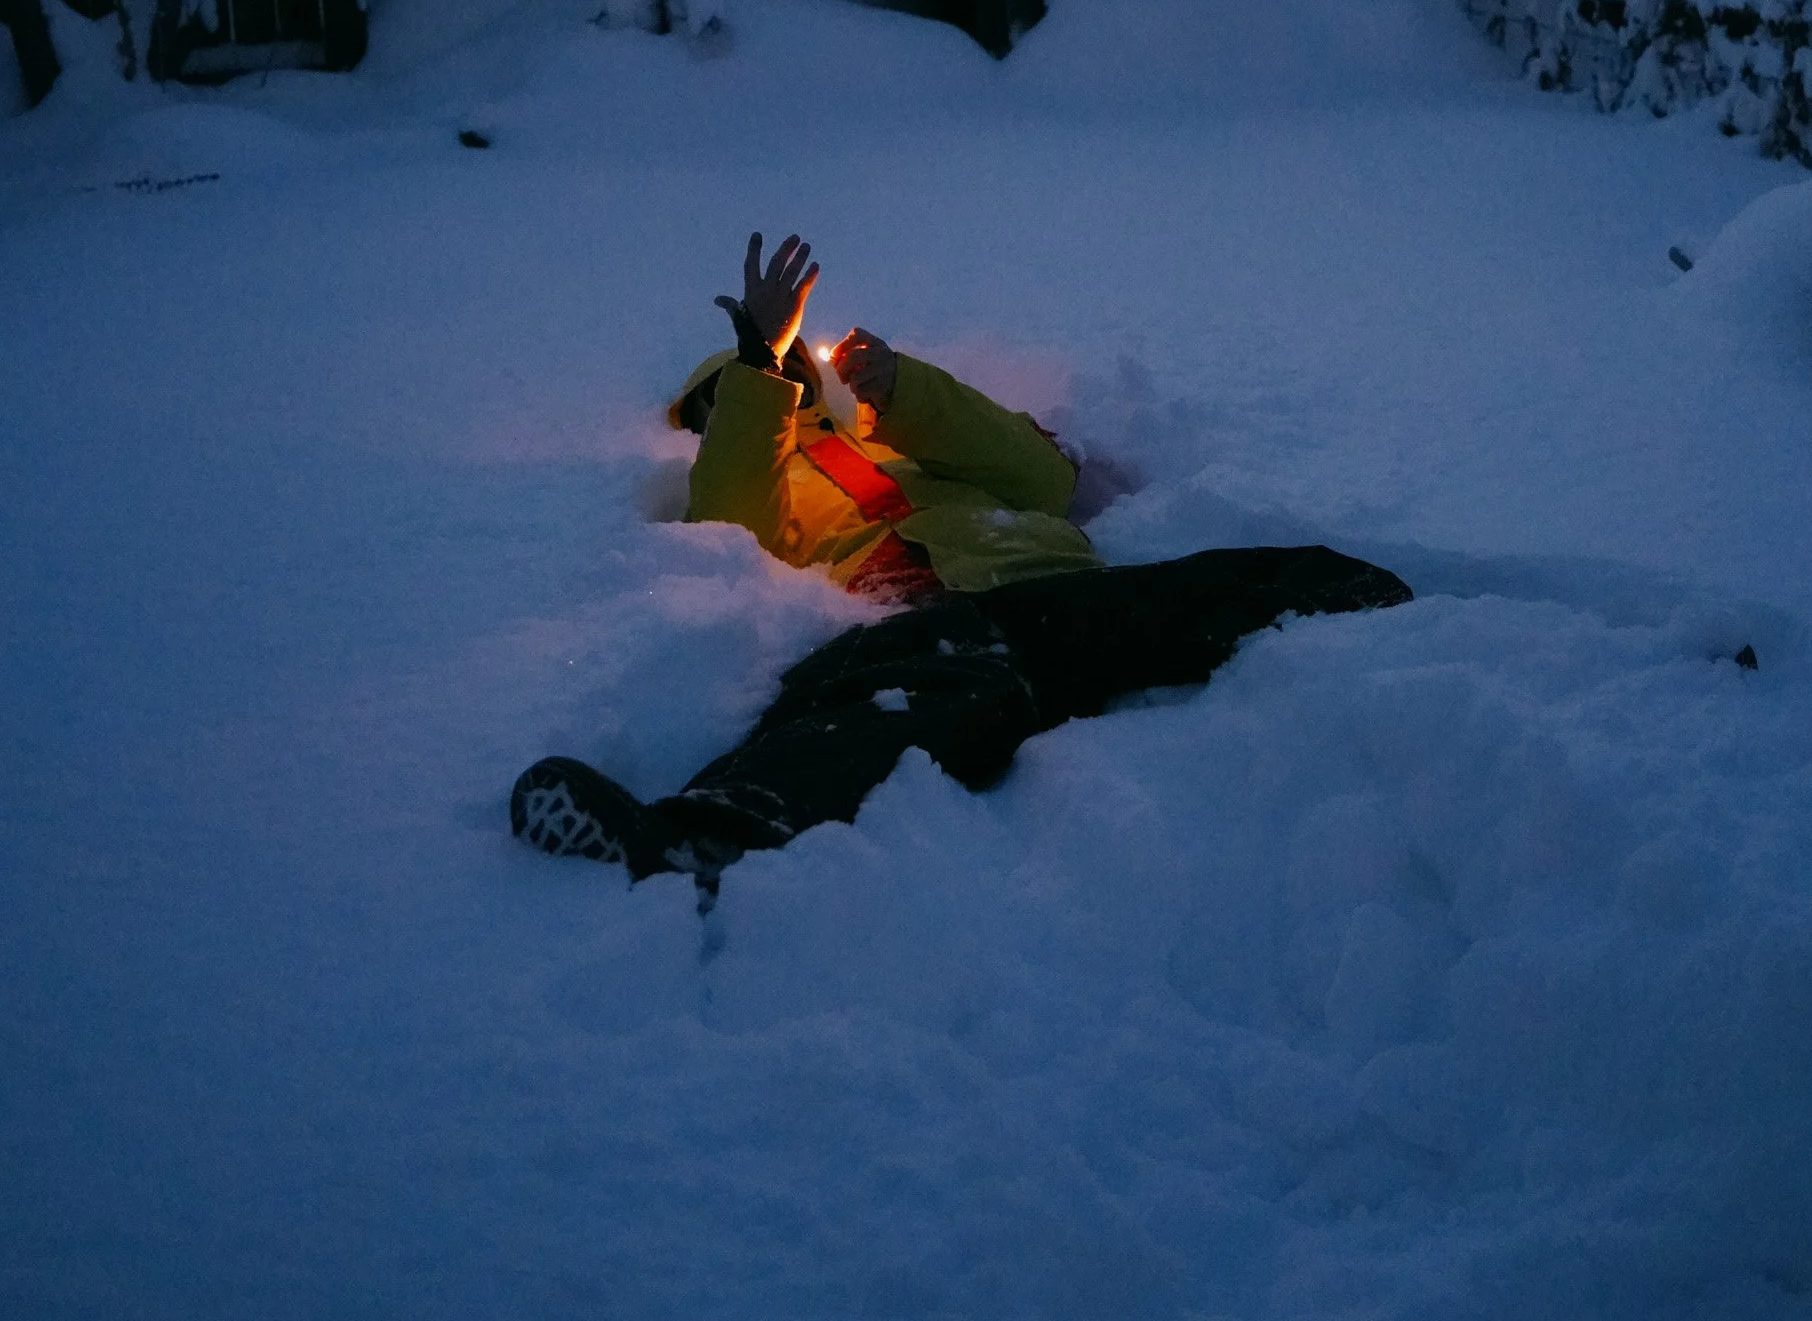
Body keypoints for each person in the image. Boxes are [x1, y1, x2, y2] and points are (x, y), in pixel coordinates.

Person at [511, 233, 1411, 880]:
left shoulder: (903, 446)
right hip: (925, 624)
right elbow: (730, 521)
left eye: (767, 377)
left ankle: (1407, 635)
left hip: (1052, 590)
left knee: (1233, 583)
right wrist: (757, 369)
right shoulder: (761, 491)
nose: (754, 396)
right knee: (875, 708)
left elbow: (1039, 479)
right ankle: (700, 833)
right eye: (725, 400)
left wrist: (904, 393)